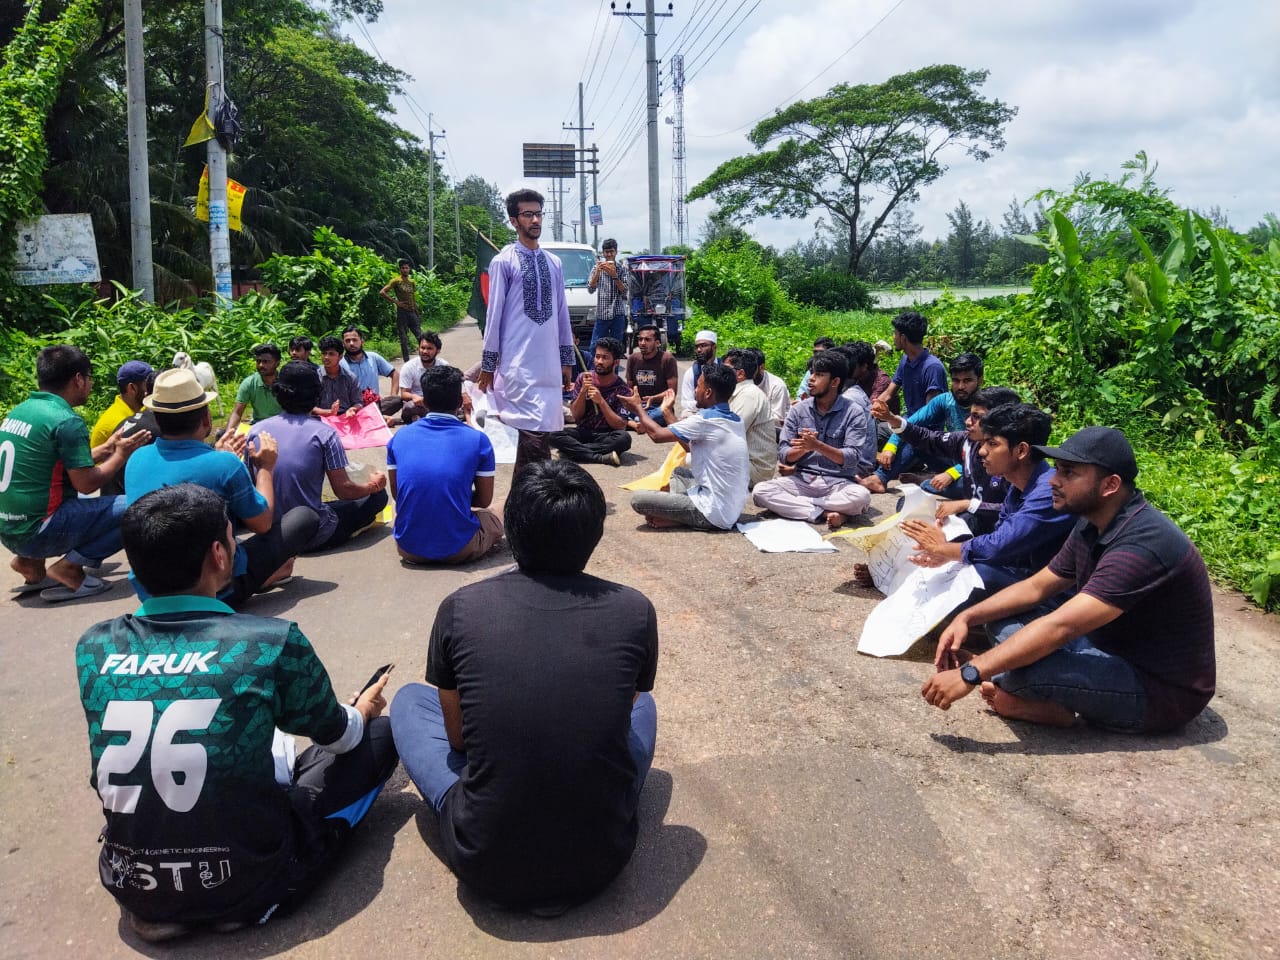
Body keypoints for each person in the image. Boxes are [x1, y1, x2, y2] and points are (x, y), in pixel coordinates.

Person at [77, 483, 397, 942]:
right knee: (378, 738)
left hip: (135, 884)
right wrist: (361, 710)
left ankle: (165, 904)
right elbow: (338, 736)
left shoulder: (94, 645)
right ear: (220, 555)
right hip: (252, 876)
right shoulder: (268, 640)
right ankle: (248, 898)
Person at [390, 460, 657, 913]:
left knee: (409, 700)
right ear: (595, 534)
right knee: (644, 706)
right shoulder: (635, 610)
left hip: (487, 863)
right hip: (602, 858)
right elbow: (622, 711)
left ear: (511, 529)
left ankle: (488, 802)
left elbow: (457, 739)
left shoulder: (461, 607)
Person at [922, 426, 1216, 733]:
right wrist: (968, 617)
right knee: (1002, 620)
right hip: (1106, 647)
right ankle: (1034, 689)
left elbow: (1061, 627)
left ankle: (1045, 706)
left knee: (1028, 672)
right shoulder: (1093, 521)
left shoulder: (1142, 546)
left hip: (1157, 689)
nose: (1053, 480)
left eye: (1069, 473)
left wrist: (971, 673)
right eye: (1058, 470)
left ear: (1110, 485)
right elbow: (1037, 587)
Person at [125, 368, 318, 607]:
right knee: (303, 518)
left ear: (156, 418)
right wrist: (265, 468)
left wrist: (219, 459)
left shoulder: (137, 459)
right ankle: (263, 575)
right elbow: (263, 523)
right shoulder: (223, 464)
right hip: (215, 591)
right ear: (206, 418)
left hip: (150, 591)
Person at [1, 345, 150, 600]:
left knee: (49, 493)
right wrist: (120, 455)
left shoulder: (21, 410)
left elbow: (54, 463)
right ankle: (69, 568)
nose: (90, 385)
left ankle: (30, 563)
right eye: (89, 378)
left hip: (9, 528)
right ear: (78, 379)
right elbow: (86, 484)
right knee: (138, 506)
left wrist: (105, 449)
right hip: (38, 531)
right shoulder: (66, 420)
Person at [898, 402, 1075, 595]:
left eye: (992, 444)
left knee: (977, 575)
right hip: (1022, 574)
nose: (981, 451)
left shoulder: (1047, 492)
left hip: (1054, 593)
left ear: (1021, 451)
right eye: (983, 443)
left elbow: (999, 547)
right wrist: (948, 553)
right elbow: (999, 541)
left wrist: (943, 549)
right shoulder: (1017, 487)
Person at [477, 189, 574, 476]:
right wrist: (488, 365)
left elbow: (561, 313)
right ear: (513, 221)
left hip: (548, 367)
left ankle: (527, 502)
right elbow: (493, 317)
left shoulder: (554, 263)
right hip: (518, 364)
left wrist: (566, 357)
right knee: (533, 436)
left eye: (538, 213)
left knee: (539, 434)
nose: (535, 220)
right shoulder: (503, 263)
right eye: (527, 214)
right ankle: (534, 502)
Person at [250, 361, 389, 553]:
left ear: (278, 393)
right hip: (315, 533)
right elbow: (344, 491)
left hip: (268, 530)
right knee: (378, 497)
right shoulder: (325, 433)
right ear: (317, 394)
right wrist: (374, 485)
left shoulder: (256, 430)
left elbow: (252, 485)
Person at [387, 365, 503, 564]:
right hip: (458, 548)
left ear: (424, 402)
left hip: (408, 547)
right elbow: (484, 500)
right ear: (459, 402)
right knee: (498, 510)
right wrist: (454, 494)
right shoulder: (478, 440)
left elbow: (399, 495)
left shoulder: (398, 438)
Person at [751, 349, 874, 530]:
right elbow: (784, 455)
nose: (811, 379)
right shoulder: (798, 410)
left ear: (835, 382)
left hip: (838, 483)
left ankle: (802, 506)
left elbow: (852, 457)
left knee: (862, 497)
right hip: (802, 480)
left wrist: (818, 446)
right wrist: (804, 449)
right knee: (761, 491)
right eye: (811, 373)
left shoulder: (853, 411)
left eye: (819, 375)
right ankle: (824, 512)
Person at [883, 386, 1021, 537]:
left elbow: (1018, 511)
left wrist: (968, 505)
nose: (968, 422)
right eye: (970, 415)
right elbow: (929, 438)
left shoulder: (1016, 460)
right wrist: (893, 419)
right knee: (908, 505)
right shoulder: (967, 441)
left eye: (977, 417)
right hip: (968, 515)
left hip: (995, 530)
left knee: (962, 526)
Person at [625, 363, 748, 531]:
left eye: (698, 386)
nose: (695, 390)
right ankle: (675, 513)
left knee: (638, 499)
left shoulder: (705, 419)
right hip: (731, 508)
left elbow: (657, 435)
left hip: (713, 512)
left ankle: (683, 519)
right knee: (679, 473)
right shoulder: (735, 419)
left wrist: (638, 408)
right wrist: (667, 412)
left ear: (708, 392)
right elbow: (690, 447)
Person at [861, 347, 978, 494]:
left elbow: (982, 454)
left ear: (980, 379)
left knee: (964, 487)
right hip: (951, 459)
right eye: (956, 380)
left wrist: (952, 473)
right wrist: (891, 446)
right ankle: (880, 478)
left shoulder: (986, 408)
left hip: (975, 466)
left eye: (967, 381)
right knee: (914, 439)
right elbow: (911, 424)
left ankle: (925, 481)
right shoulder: (945, 400)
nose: (961, 386)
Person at [550, 337, 633, 466]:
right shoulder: (583, 378)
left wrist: (601, 402)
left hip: (607, 434)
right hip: (583, 431)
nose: (599, 361)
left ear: (615, 362)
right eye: (597, 356)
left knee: (624, 439)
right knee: (552, 434)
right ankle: (598, 457)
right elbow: (576, 416)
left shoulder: (623, 389)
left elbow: (620, 425)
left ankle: (573, 452)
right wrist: (583, 392)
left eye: (605, 358)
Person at [722, 348, 777, 488]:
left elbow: (726, 434)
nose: (721, 372)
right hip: (743, 461)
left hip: (755, 468)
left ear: (740, 374)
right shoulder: (738, 391)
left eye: (725, 369)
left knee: (692, 460)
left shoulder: (749, 394)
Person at [340, 326, 402, 425]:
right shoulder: (340, 364)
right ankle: (377, 418)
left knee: (397, 400)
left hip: (375, 404)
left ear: (362, 341)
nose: (351, 343)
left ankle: (371, 418)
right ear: (343, 343)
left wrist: (392, 395)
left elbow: (394, 374)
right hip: (352, 407)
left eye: (355, 340)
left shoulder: (373, 357)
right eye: (347, 341)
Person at [89, 360, 154, 449]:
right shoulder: (118, 423)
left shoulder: (135, 408)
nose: (152, 389)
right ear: (132, 388)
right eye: (148, 385)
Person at [223, 343, 284, 435]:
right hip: (258, 426)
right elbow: (237, 413)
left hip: (282, 426)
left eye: (266, 361)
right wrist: (227, 435)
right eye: (258, 361)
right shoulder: (249, 383)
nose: (261, 365)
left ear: (277, 363)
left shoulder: (286, 382)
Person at [625, 323, 679, 427]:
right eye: (640, 339)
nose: (642, 343)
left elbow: (672, 393)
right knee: (613, 410)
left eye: (647, 340)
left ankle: (636, 423)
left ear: (658, 343)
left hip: (659, 406)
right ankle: (641, 423)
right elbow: (629, 388)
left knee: (662, 413)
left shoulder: (667, 359)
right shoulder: (633, 359)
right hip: (638, 407)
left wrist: (653, 398)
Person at [397, 330, 452, 425]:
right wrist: (414, 396)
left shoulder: (444, 366)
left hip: (437, 403)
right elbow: (404, 394)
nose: (425, 351)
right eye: (422, 348)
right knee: (409, 407)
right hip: (418, 404)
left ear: (438, 351)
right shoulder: (409, 367)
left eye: (429, 348)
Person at [587, 238, 630, 354]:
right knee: (594, 347)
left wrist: (614, 276)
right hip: (602, 314)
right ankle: (594, 371)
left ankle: (613, 372)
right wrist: (598, 272)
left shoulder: (622, 269)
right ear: (603, 253)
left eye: (611, 251)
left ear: (616, 252)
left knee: (616, 349)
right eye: (607, 252)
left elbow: (624, 291)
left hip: (617, 314)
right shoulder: (597, 268)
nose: (609, 254)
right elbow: (590, 289)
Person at [380, 258, 424, 362]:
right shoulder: (396, 281)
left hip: (412, 312)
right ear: (400, 269)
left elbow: (413, 298)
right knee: (403, 339)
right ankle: (406, 362)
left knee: (420, 337)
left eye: (407, 268)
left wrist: (417, 313)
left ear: (409, 269)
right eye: (403, 268)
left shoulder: (412, 282)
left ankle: (424, 359)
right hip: (402, 313)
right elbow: (382, 292)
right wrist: (396, 302)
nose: (405, 270)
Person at [315, 335, 363, 417]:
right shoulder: (314, 377)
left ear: (340, 356)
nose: (326, 357)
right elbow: (310, 406)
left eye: (331, 354)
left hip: (346, 418)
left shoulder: (350, 378)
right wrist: (330, 412)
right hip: (321, 420)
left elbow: (358, 402)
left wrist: (353, 409)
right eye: (324, 353)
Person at [749, 347, 791, 435]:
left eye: (751, 367)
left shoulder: (777, 386)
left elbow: (777, 420)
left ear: (762, 367)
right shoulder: (741, 381)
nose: (746, 371)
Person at [677, 330, 719, 418]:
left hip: (721, 413)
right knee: (686, 414)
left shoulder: (724, 368)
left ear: (714, 347)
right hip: (699, 414)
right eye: (697, 347)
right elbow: (686, 403)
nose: (699, 350)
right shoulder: (691, 372)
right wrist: (706, 406)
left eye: (703, 346)